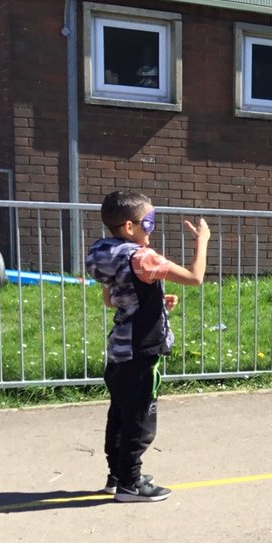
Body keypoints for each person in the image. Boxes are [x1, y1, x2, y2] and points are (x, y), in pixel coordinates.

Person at [86, 191, 210, 502]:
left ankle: (118, 476)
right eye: (149, 222)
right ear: (129, 226)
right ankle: (131, 484)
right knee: (141, 420)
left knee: (120, 415)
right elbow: (195, 277)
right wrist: (203, 241)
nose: (151, 229)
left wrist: (154, 300)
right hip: (141, 351)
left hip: (119, 351)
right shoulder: (143, 257)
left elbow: (110, 298)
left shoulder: (107, 253)